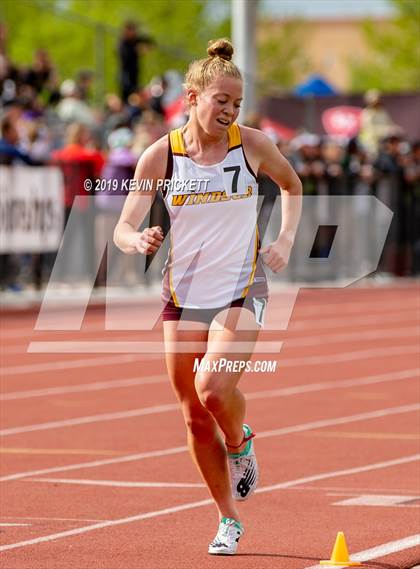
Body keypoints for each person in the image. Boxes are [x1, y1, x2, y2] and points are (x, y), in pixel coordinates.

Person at [114, 38, 302, 555]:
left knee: (213, 388)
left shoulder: (253, 145)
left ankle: (241, 441)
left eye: (236, 104)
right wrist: (137, 240)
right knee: (194, 415)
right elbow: (124, 225)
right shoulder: (162, 155)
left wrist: (284, 238)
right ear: (191, 97)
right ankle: (228, 519)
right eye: (221, 100)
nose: (229, 111)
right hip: (184, 295)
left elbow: (293, 186)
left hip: (242, 288)